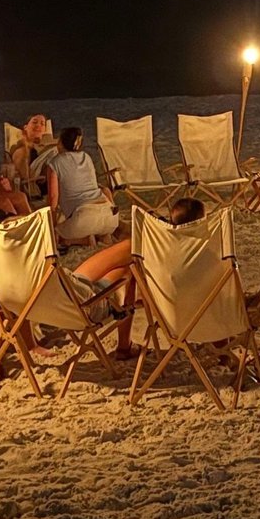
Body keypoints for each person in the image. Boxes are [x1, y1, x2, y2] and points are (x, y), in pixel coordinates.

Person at [74, 196, 207, 358]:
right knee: (131, 267)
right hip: (86, 302)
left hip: (72, 299)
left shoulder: (145, 247)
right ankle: (124, 348)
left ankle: (124, 347)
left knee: (130, 264)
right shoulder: (198, 264)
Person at [46, 126, 118, 246]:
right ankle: (103, 236)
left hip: (83, 218)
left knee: (59, 234)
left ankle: (83, 240)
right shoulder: (87, 157)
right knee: (96, 224)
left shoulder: (54, 163)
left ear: (61, 143)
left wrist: (52, 227)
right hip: (110, 217)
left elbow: (53, 199)